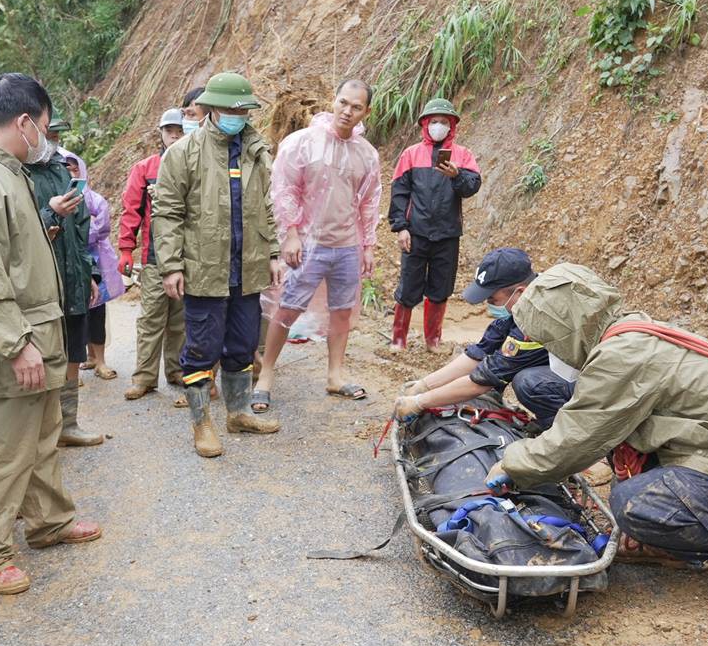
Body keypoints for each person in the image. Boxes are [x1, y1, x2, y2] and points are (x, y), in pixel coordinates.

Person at [485, 264, 708, 614]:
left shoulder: (622, 358)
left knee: (633, 503)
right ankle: (668, 540)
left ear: (566, 328)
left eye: (550, 339)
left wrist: (513, 463)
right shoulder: (633, 331)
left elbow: (577, 438)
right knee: (631, 473)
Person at [0, 73, 101, 596]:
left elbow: (12, 252)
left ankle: (49, 521)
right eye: (46, 128)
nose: (48, 140)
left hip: (36, 335)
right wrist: (15, 343)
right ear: (26, 122)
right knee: (2, 451)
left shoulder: (6, 172)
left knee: (41, 436)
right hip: (10, 345)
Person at [152, 71, 284, 458]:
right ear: (210, 109)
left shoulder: (255, 150)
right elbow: (167, 212)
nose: (236, 115)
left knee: (242, 344)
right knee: (201, 348)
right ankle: (202, 423)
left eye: (242, 109)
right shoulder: (184, 153)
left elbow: (266, 206)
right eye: (229, 108)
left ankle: (239, 412)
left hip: (248, 267)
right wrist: (171, 265)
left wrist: (273, 253)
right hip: (204, 268)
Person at [252, 80, 382, 412]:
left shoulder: (366, 154)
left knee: (342, 311)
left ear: (365, 112)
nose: (347, 111)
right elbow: (283, 190)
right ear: (333, 101)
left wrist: (367, 245)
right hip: (309, 243)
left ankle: (335, 375)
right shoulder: (302, 143)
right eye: (343, 103)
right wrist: (291, 233)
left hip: (346, 245)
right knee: (288, 308)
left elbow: (369, 202)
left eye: (356, 107)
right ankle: (266, 373)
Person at [393, 248, 570, 429]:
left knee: (528, 382)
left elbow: (484, 380)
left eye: (493, 300)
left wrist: (420, 402)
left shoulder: (538, 318)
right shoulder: (527, 300)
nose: (488, 304)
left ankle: (564, 436)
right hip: (570, 371)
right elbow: (479, 353)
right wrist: (423, 386)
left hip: (591, 383)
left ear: (519, 292)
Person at [387, 98, 481, 350]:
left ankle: (433, 340)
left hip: (447, 234)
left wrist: (457, 175)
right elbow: (399, 192)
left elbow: (473, 186)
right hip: (415, 233)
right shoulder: (410, 154)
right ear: (425, 124)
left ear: (452, 126)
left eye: (444, 122)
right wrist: (400, 227)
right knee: (408, 286)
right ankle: (398, 339)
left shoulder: (462, 155)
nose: (438, 126)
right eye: (434, 122)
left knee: (440, 288)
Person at [31, 145, 103, 447]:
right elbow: (23, 232)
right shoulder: (17, 173)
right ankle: (43, 430)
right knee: (44, 351)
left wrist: (91, 274)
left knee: (74, 347)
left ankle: (68, 424)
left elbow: (81, 228)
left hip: (74, 275)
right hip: (42, 281)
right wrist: (51, 213)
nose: (51, 140)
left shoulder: (61, 169)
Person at [119, 107, 188, 401]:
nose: (174, 135)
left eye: (179, 130)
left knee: (181, 320)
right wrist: (125, 249)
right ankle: (145, 377)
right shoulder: (145, 169)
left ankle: (177, 370)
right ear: (160, 133)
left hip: (188, 258)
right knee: (151, 319)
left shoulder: (194, 166)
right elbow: (131, 210)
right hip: (153, 258)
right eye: (169, 130)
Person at [63, 152, 124, 381]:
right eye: (66, 168)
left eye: (74, 168)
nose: (71, 172)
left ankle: (100, 360)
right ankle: (79, 361)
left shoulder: (94, 199)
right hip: (69, 261)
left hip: (95, 261)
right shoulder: (58, 200)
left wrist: (77, 233)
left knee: (96, 310)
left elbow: (102, 226)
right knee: (74, 311)